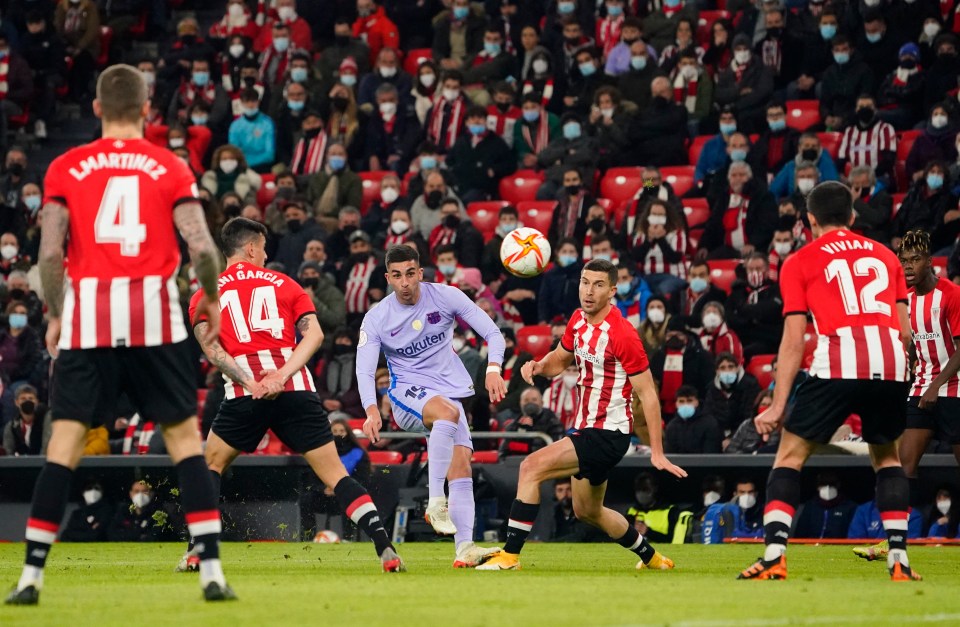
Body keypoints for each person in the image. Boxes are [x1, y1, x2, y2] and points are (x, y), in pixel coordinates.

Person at [5, 65, 235, 605]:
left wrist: (58, 313)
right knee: (184, 443)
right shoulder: (170, 166)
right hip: (153, 318)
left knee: (63, 446)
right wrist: (213, 298)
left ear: (96, 108)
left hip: (90, 321)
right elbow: (203, 249)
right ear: (149, 107)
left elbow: (49, 255)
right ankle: (212, 575)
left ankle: (31, 578)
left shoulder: (65, 167)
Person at [184, 218, 402, 572]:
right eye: (265, 248)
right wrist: (282, 375)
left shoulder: (205, 293)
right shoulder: (285, 283)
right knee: (336, 477)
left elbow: (211, 349)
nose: (266, 255)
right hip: (295, 390)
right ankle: (385, 548)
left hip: (244, 395)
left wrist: (251, 381)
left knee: (211, 466)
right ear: (252, 247)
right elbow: (314, 336)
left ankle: (198, 550)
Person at [739, 181, 919, 581]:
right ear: (853, 218)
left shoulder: (801, 260)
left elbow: (793, 340)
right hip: (891, 360)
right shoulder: (887, 256)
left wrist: (778, 403)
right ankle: (899, 562)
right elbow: (906, 332)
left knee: (789, 457)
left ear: (809, 221)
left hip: (840, 358)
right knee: (887, 460)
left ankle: (773, 558)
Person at [477, 259, 687, 571]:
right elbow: (558, 362)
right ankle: (654, 559)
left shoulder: (623, 335)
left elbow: (648, 395)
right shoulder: (577, 320)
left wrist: (657, 452)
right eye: (585, 282)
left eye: (598, 284)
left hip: (608, 432)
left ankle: (510, 556)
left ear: (612, 291)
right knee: (588, 510)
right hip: (587, 428)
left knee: (531, 467)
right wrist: (537, 366)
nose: (589, 291)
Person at [357, 244, 506, 568]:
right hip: (406, 395)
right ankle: (435, 500)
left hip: (446, 391)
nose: (405, 282)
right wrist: (371, 408)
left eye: (411, 273)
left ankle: (464, 548)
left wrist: (493, 368)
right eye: (397, 276)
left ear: (420, 273)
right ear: (388, 278)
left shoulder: (446, 296)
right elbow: (365, 368)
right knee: (449, 413)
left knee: (463, 462)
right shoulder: (377, 317)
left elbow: (493, 333)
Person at [854, 231, 960, 560]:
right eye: (903, 260)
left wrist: (935, 385)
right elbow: (908, 342)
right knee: (902, 468)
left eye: (915, 260)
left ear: (931, 262)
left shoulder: (952, 295)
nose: (908, 266)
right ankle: (894, 541)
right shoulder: (905, 300)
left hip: (955, 389)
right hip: (920, 390)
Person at [624, 472, 691, 545]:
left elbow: (673, 540)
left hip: (662, 552)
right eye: (638, 489)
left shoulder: (669, 511)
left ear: (655, 488)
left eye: (646, 489)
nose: (642, 493)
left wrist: (648, 532)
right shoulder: (631, 511)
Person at [793, 472, 857, 539]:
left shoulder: (850, 507)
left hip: (838, 547)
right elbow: (800, 533)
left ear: (838, 485)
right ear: (818, 487)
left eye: (832, 484)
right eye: (823, 484)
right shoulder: (810, 506)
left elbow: (854, 535)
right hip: (812, 547)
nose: (827, 488)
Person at [664, 385, 722, 454]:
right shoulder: (671, 427)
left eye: (689, 401)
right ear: (676, 404)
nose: (685, 404)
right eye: (681, 401)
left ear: (696, 402)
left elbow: (711, 452)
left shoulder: (710, 423)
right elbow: (670, 454)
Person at [2, 385, 49, 455]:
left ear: (37, 402)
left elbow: (46, 447)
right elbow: (8, 452)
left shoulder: (46, 419)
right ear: (16, 402)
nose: (27, 401)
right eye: (23, 399)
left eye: (31, 398)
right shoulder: (11, 426)